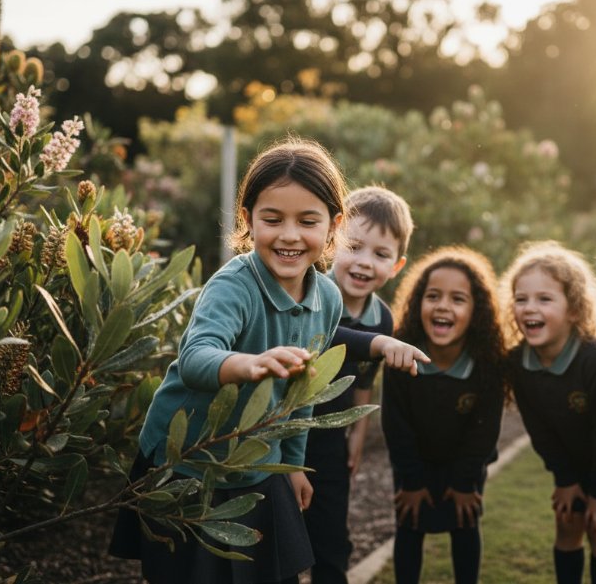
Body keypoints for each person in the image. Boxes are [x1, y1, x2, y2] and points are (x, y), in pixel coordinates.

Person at [109, 137, 353, 584]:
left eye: (308, 220)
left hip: (257, 459)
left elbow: (301, 395)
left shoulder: (329, 299)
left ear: (333, 225)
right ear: (248, 219)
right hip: (185, 461)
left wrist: (294, 465)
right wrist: (251, 364)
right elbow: (197, 358)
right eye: (273, 219)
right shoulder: (234, 285)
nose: (290, 235)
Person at [304, 186, 417, 584]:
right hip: (282, 430)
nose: (365, 262)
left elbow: (366, 380)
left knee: (331, 537)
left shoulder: (381, 320)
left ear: (397, 265)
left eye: (381, 254)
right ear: (332, 241)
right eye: (354, 246)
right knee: (279, 537)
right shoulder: (308, 294)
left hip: (331, 437)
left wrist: (357, 437)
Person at [381, 246, 507, 584]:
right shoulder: (400, 356)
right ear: (418, 302)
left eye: (458, 299)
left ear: (476, 310)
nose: (443, 306)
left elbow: (484, 431)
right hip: (413, 464)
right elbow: (395, 425)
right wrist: (411, 481)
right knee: (409, 527)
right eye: (433, 296)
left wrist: (466, 482)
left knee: (465, 525)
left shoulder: (488, 365)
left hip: (464, 465)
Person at [500, 241, 596, 584]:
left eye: (544, 299)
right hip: (568, 467)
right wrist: (565, 479)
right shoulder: (518, 363)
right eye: (521, 299)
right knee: (567, 526)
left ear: (573, 309)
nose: (529, 308)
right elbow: (539, 428)